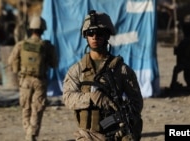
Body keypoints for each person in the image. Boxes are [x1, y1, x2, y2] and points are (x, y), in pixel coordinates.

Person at [62, 10, 143, 141]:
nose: (94, 37)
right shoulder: (77, 70)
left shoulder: (121, 70)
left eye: (99, 33)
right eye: (90, 33)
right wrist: (91, 98)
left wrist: (124, 122)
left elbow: (137, 103)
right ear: (86, 36)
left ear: (107, 36)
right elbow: (68, 98)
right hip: (87, 135)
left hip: (116, 133)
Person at [8, 15, 58, 141]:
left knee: (26, 107)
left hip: (25, 80)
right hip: (40, 80)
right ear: (43, 30)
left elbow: (12, 62)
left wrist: (18, 72)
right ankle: (32, 133)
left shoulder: (21, 45)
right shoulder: (47, 46)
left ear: (30, 29)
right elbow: (54, 64)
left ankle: (28, 133)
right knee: (37, 108)